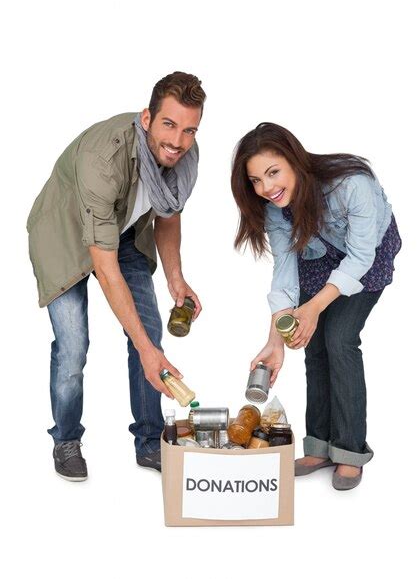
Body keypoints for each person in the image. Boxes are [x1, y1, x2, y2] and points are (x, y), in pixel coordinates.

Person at [27, 71, 206, 480]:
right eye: (169, 124)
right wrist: (146, 351)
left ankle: (149, 441)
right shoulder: (102, 160)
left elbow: (168, 213)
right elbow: (107, 272)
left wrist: (175, 278)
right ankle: (66, 439)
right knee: (74, 345)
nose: (178, 141)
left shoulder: (182, 156)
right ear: (146, 118)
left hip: (123, 230)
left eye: (189, 130)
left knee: (149, 330)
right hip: (66, 236)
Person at [231, 122, 401, 490]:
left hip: (365, 255)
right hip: (320, 257)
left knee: (340, 339)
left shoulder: (352, 185)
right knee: (313, 346)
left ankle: (350, 452)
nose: (266, 188)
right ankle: (320, 446)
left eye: (273, 173)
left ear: (294, 160)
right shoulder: (276, 209)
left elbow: (359, 257)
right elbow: (285, 273)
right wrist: (275, 341)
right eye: (256, 180)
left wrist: (314, 308)